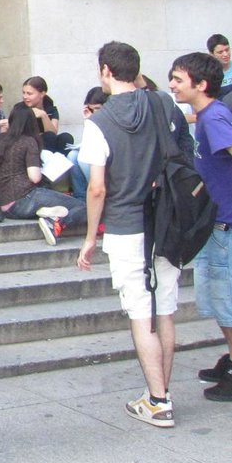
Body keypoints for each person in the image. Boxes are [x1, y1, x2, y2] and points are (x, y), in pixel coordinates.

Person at [76, 41, 178, 428]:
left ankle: (158, 400)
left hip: (124, 222)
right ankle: (161, 393)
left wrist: (90, 238)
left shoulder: (98, 122)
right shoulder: (162, 102)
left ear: (106, 70)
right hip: (164, 218)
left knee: (140, 313)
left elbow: (96, 188)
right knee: (164, 310)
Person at [167, 52, 232, 401]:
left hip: (226, 224)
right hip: (217, 221)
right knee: (220, 300)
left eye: (178, 79)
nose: (172, 85)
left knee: (228, 300)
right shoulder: (208, 115)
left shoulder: (214, 118)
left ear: (201, 84)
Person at [0, 102, 88, 245]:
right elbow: (35, 177)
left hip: (5, 205)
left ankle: (50, 212)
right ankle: (57, 223)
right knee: (83, 207)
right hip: (25, 199)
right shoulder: (29, 141)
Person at [67, 87, 109, 200]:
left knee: (83, 159)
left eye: (98, 109)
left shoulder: (111, 118)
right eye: (92, 109)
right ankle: (80, 197)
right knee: (73, 155)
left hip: (108, 161)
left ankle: (95, 195)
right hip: (97, 157)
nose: (95, 112)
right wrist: (88, 121)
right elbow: (88, 143)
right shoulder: (93, 120)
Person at [22, 75, 73, 155]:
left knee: (66, 137)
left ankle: (60, 161)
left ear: (42, 94)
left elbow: (53, 133)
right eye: (23, 93)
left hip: (49, 144)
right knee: (48, 136)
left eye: (29, 94)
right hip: (30, 144)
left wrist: (44, 115)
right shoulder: (20, 109)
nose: (25, 97)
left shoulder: (51, 109)